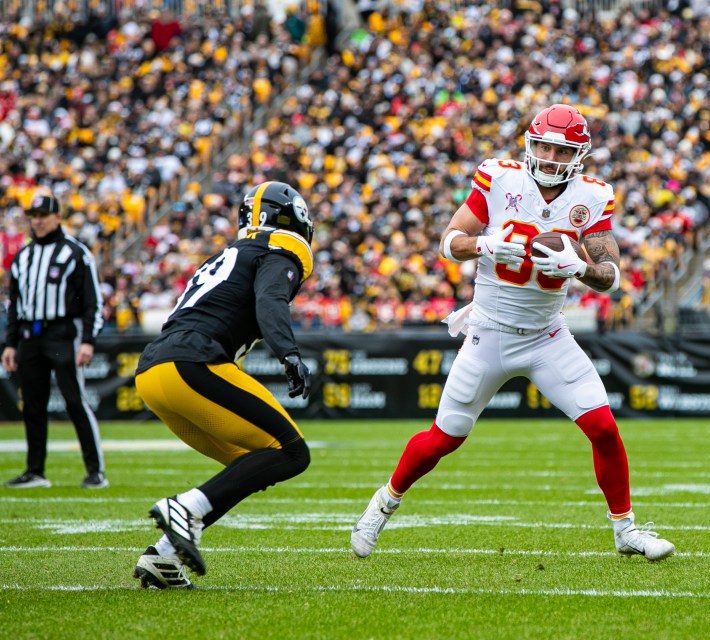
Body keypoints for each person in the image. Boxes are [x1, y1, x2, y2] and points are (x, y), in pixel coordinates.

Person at [351, 104, 675, 561]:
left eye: (559, 149)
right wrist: (487, 244)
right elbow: (448, 242)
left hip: (547, 335)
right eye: (541, 144)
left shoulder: (592, 196)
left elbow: (611, 274)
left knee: (603, 426)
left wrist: (579, 267)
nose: (547, 155)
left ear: (578, 154)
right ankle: (383, 503)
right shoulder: (500, 179)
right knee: (445, 436)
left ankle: (625, 530)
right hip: (490, 332)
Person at [131, 181, 315, 589]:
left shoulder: (228, 254)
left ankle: (163, 555)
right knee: (292, 451)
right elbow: (270, 299)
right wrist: (289, 353)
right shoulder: (280, 248)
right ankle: (184, 509)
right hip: (193, 362)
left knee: (250, 466)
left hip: (154, 373)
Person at [2, 195, 106, 489]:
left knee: (75, 401)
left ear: (58, 217)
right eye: (33, 215)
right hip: (29, 337)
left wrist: (87, 340)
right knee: (33, 405)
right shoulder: (23, 256)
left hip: (62, 333)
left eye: (43, 215)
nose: (38, 220)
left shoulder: (76, 252)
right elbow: (15, 305)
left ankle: (95, 471)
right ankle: (35, 471)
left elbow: (92, 302)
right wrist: (10, 344)